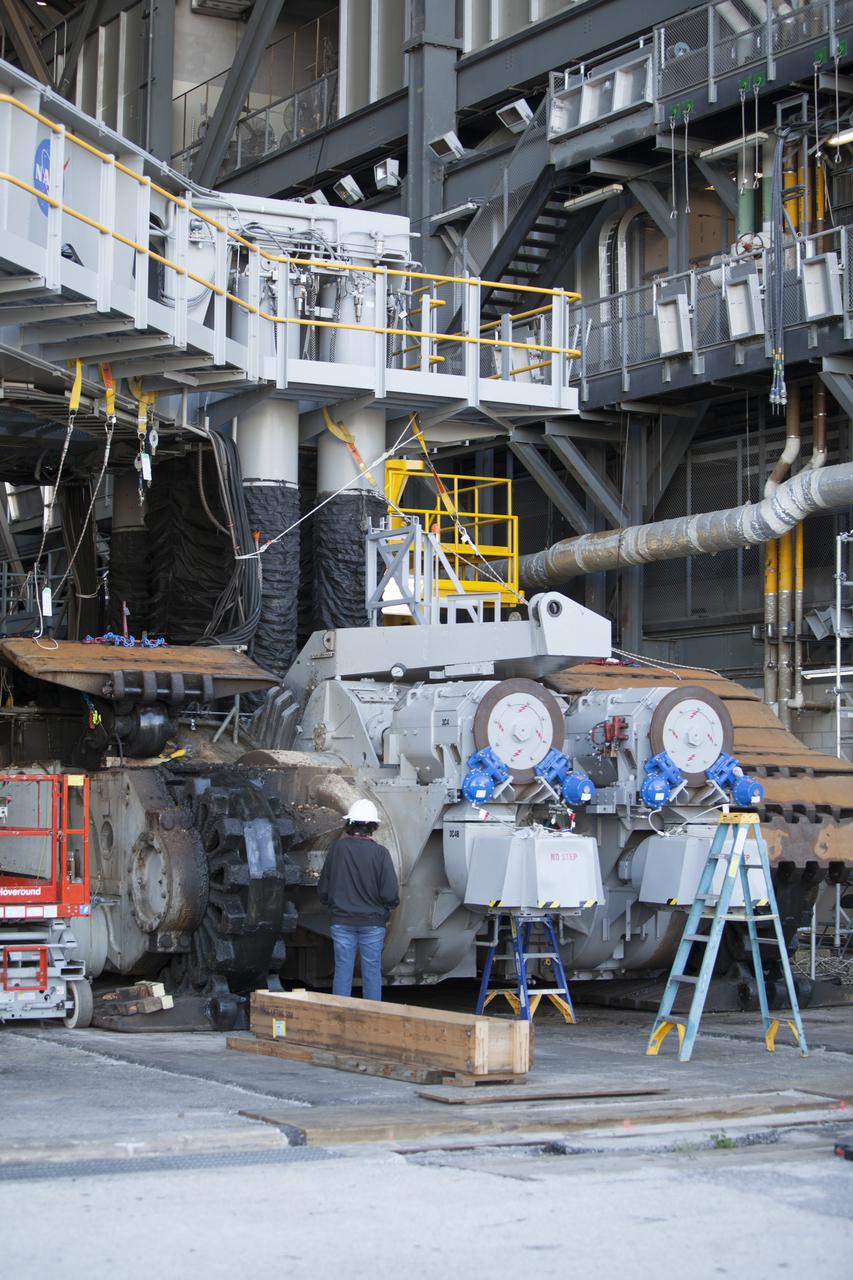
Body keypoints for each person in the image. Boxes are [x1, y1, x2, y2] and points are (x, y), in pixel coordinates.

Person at [317, 798, 399, 1002]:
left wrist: (332, 905)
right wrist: (389, 907)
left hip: (342, 921)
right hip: (372, 923)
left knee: (342, 970)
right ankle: (372, 1016)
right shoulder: (381, 854)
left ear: (349, 824)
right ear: (373, 827)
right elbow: (389, 893)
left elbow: (324, 887)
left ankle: (340, 1015)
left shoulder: (337, 850)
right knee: (371, 972)